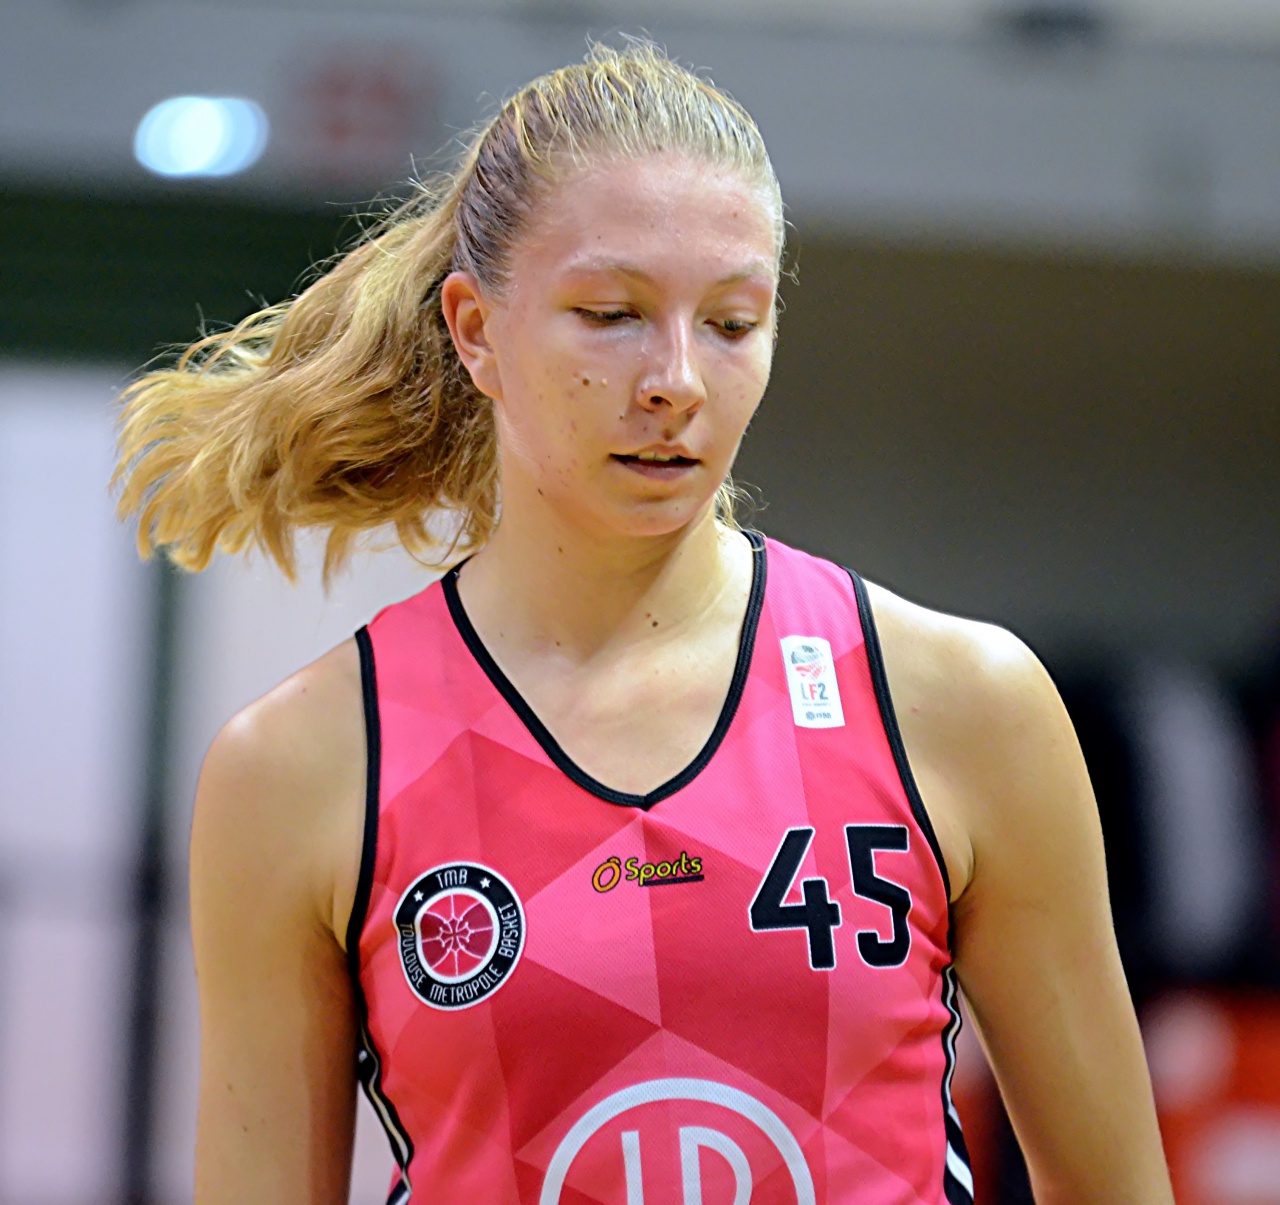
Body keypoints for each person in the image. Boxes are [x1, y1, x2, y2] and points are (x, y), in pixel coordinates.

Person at [114, 41, 1174, 1205]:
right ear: (475, 329)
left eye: (731, 322)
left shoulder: (962, 702)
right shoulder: (299, 766)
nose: (677, 379)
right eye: (611, 314)